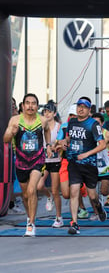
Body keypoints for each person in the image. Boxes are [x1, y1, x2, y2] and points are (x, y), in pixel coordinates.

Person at [3, 93, 52, 237]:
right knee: (25, 195)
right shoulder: (15, 120)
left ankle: (31, 224)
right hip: (21, 161)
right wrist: (11, 133)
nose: (30, 106)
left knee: (32, 190)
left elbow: (47, 131)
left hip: (37, 160)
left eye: (33, 103)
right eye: (28, 103)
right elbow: (5, 139)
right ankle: (29, 216)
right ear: (23, 106)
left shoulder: (42, 120)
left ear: (37, 106)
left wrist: (48, 145)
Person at [65, 97, 107, 235]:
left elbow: (102, 145)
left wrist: (87, 154)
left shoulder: (93, 124)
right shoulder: (71, 122)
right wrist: (65, 143)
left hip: (89, 164)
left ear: (89, 110)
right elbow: (68, 137)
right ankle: (74, 223)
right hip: (74, 162)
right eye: (79, 106)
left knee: (92, 195)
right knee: (74, 191)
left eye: (84, 107)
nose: (80, 109)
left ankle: (99, 207)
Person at [37, 103, 64, 228]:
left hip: (56, 161)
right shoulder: (41, 126)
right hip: (44, 160)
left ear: (54, 114)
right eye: (44, 112)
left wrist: (56, 147)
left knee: (55, 190)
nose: (46, 114)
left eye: (49, 112)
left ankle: (59, 217)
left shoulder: (59, 127)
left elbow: (63, 142)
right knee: (39, 185)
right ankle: (48, 197)